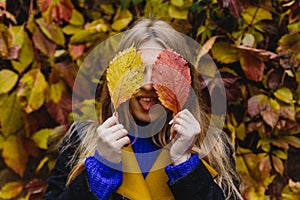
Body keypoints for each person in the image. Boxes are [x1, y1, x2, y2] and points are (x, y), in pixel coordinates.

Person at [44, 18, 242, 200]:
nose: (148, 84)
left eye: (161, 72)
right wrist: (101, 169)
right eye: (137, 71)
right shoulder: (82, 141)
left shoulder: (214, 147)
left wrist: (185, 164)